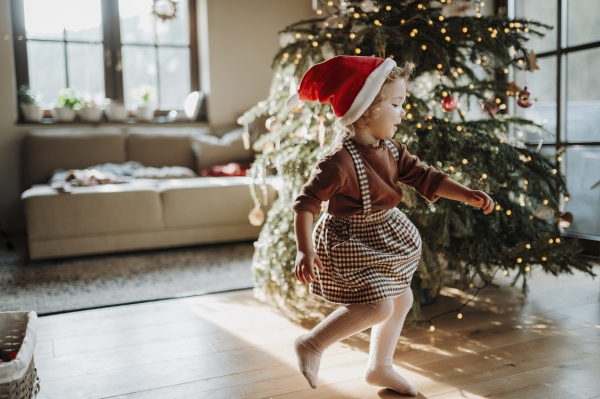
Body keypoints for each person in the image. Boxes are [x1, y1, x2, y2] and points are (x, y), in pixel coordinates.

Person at [288, 56, 494, 396]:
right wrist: (304, 249)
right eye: (396, 104)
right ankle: (312, 343)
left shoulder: (393, 150)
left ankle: (379, 367)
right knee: (379, 305)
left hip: (384, 232)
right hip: (350, 241)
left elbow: (426, 176)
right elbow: (306, 203)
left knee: (402, 298)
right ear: (367, 109)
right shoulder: (338, 161)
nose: (402, 113)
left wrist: (465, 194)